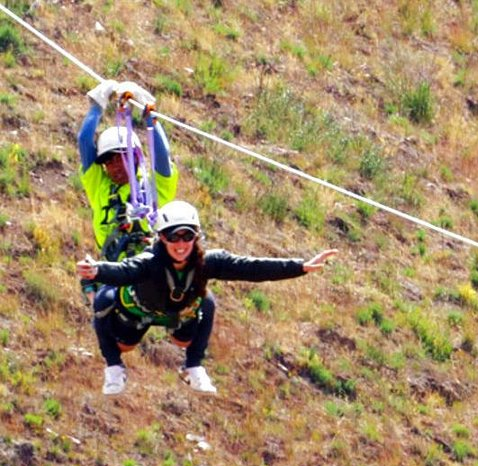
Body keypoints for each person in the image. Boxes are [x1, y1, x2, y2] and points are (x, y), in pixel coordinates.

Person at [76, 200, 338, 396]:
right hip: (137, 310)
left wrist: (300, 266)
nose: (181, 245)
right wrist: (97, 270)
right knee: (103, 301)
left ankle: (193, 366)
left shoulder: (208, 262)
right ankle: (114, 369)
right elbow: (124, 271)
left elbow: (252, 268)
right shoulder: (150, 261)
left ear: (196, 237)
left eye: (187, 236)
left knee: (207, 301)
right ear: (162, 239)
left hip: (181, 315)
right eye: (173, 237)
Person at [77, 79, 179, 304]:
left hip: (147, 267)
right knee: (102, 303)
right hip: (115, 270)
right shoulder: (100, 187)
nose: (115, 166)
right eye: (109, 162)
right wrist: (97, 105)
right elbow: (84, 140)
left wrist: (149, 116)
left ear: (135, 156)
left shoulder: (152, 191)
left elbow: (162, 157)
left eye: (121, 157)